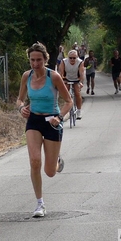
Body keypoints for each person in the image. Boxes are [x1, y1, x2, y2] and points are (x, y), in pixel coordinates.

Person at [16, 42, 73, 218]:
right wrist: (21, 108)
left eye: (38, 60)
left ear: (45, 60)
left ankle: (56, 161)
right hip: (33, 120)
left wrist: (60, 117)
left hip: (52, 122)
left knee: (49, 171)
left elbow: (69, 102)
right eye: (32, 60)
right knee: (34, 161)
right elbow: (19, 99)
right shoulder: (27, 76)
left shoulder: (53, 77)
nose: (35, 64)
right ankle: (40, 203)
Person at [59, 49, 85, 119]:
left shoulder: (80, 62)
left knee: (77, 93)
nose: (72, 59)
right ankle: (66, 109)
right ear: (68, 57)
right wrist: (61, 81)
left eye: (74, 58)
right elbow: (60, 73)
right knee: (65, 92)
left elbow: (81, 73)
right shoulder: (63, 62)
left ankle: (79, 111)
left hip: (76, 79)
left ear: (77, 58)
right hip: (66, 78)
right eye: (70, 58)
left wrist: (81, 82)